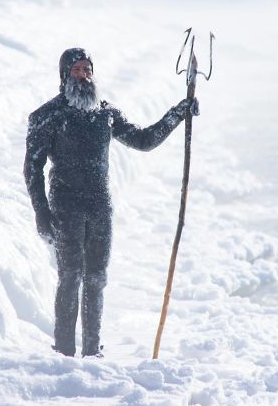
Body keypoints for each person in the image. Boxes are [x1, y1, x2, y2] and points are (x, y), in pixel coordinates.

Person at [24, 48, 198, 357]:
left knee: (96, 278)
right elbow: (32, 169)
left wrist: (177, 114)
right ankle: (64, 352)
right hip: (65, 205)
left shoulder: (105, 113)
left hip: (100, 206)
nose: (83, 74)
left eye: (87, 69)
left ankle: (92, 351)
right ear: (64, 75)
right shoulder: (46, 116)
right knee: (70, 277)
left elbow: (143, 140)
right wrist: (42, 213)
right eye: (77, 70)